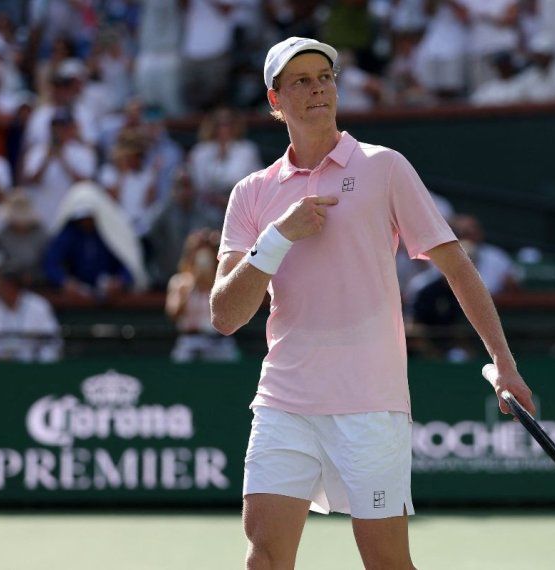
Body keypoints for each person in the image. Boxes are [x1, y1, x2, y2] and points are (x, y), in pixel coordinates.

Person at [210, 37, 535, 570]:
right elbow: (224, 316)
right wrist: (278, 237)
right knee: (264, 559)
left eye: (325, 77)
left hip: (372, 405)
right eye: (301, 81)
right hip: (283, 403)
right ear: (275, 100)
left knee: (386, 563)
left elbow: (457, 267)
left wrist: (504, 364)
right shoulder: (251, 192)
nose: (317, 88)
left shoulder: (386, 167)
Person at [167, 229, 239, 362]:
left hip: (220, 343)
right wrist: (191, 287)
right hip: (190, 342)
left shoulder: (225, 280)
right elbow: (173, 313)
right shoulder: (180, 282)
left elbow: (234, 313)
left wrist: (213, 286)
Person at [0, 269, 62, 362]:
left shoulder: (38, 305)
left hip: (34, 366)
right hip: (0, 367)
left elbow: (51, 342)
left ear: (12, 286)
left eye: (1, 285)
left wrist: (42, 366)